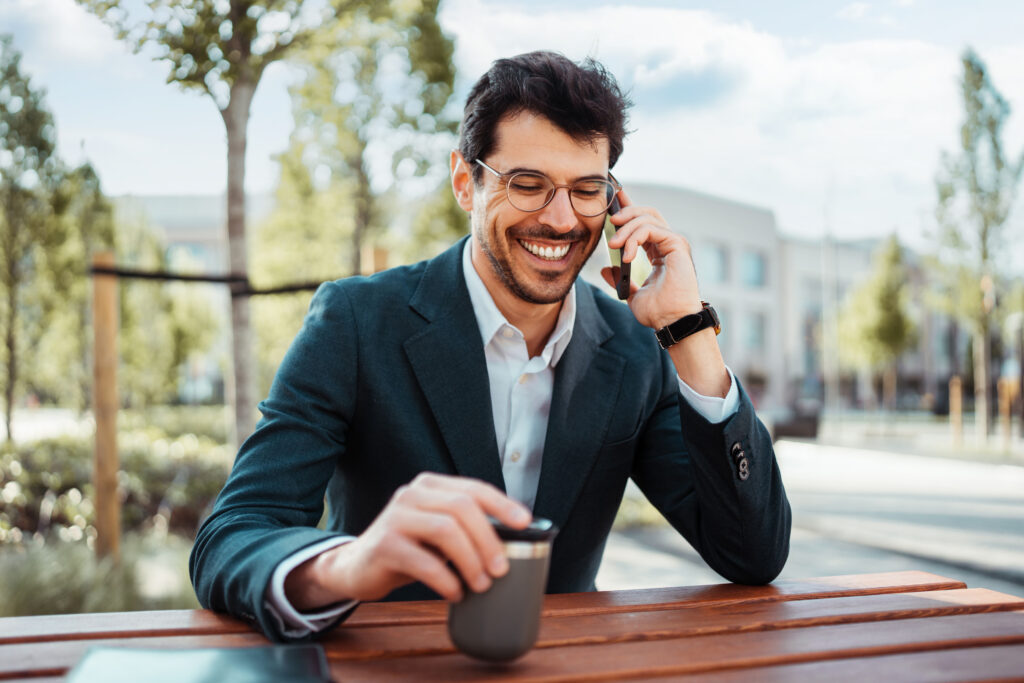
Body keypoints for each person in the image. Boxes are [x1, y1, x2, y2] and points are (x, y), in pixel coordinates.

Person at [190, 51, 791, 642]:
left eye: (587, 189)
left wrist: (687, 329)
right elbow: (233, 534)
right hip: (385, 665)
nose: (562, 220)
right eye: (528, 184)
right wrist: (350, 564)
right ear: (464, 182)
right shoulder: (356, 322)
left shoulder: (637, 349)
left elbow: (753, 553)